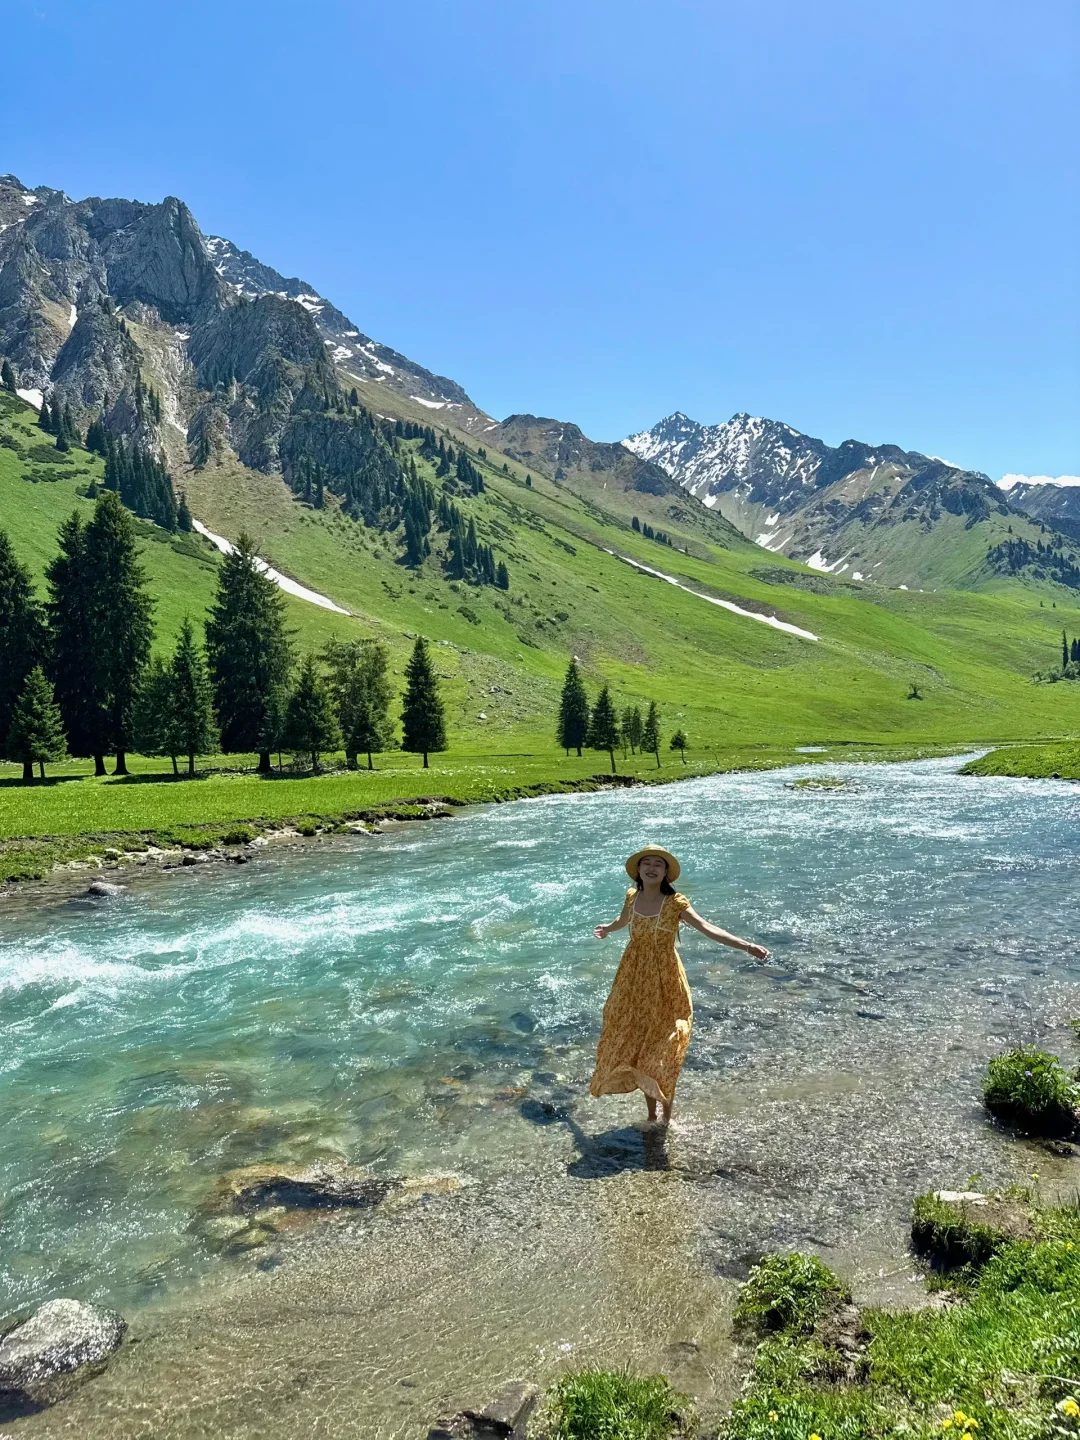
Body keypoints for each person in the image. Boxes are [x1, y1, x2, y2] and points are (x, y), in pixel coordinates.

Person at [589, 844, 770, 1126]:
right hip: (633, 980)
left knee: (666, 1044)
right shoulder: (631, 897)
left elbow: (707, 927)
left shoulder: (676, 904)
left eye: (657, 865)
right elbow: (623, 921)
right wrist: (607, 930)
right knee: (638, 1045)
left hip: (666, 981)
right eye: (646, 863)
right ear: (638, 871)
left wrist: (746, 946)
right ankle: (651, 1117)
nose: (651, 868)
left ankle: (667, 1118)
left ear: (666, 874)